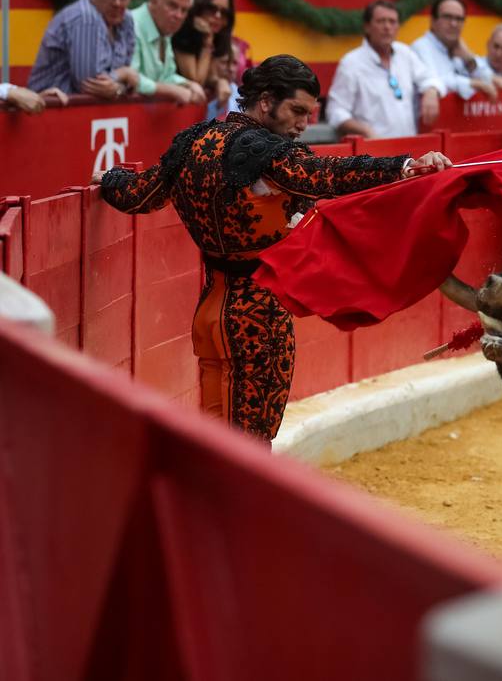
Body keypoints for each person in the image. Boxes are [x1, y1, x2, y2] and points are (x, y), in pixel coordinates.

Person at [96, 54, 451, 443]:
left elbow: (138, 196)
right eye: (297, 110)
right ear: (265, 101)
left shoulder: (191, 142)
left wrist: (109, 178)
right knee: (249, 445)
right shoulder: (266, 152)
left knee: (214, 436)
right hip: (257, 317)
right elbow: (326, 176)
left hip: (211, 312)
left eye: (310, 113)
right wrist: (404, 167)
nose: (304, 123)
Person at [327, 0, 447, 137]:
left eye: (392, 21)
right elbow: (336, 111)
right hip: (374, 151)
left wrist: (431, 92)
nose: (387, 27)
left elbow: (431, 78)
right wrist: (364, 130)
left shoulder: (405, 53)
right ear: (367, 27)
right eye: (381, 21)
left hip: (409, 146)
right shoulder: (351, 63)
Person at [28, 0, 138, 99]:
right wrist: (123, 74)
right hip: (50, 108)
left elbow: (124, 83)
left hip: (84, 110)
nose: (117, 3)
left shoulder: (126, 19)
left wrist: (119, 88)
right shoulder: (86, 18)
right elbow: (90, 84)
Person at [130, 0, 206, 105]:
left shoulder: (163, 28)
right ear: (154, 1)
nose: (179, 16)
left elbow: (166, 76)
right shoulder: (131, 25)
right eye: (173, 6)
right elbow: (130, 79)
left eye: (184, 10)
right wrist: (172, 91)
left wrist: (187, 84)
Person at [411, 0, 497, 100]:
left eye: (459, 19)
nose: (454, 23)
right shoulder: (421, 47)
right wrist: (471, 83)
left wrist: (470, 61)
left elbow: (489, 80)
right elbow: (433, 82)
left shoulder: (459, 48)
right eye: (447, 17)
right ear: (433, 21)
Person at [173, 0, 235, 90]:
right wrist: (207, 43)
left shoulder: (218, 36)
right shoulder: (184, 30)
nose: (218, 16)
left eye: (224, 13)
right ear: (199, 9)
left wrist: (220, 82)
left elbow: (210, 76)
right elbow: (196, 81)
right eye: (212, 9)